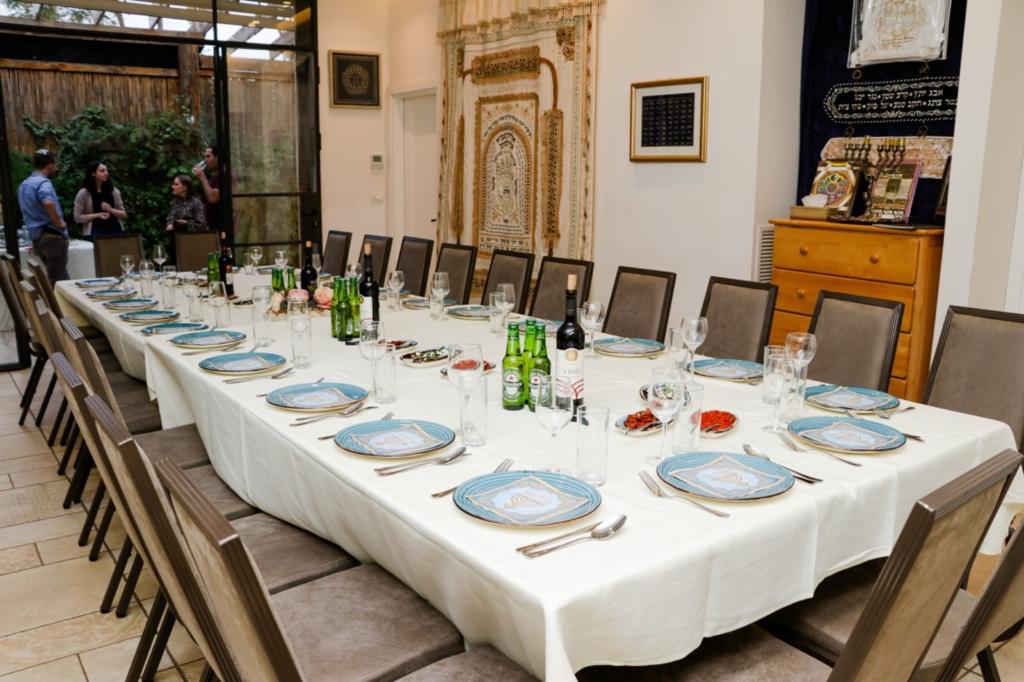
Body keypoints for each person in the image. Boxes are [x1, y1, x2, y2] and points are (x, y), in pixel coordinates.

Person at [17, 149, 68, 282]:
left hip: (38, 238)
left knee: (60, 278)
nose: (55, 168)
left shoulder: (24, 185)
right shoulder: (43, 183)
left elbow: (29, 212)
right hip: (52, 236)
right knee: (59, 281)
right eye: (55, 164)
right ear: (50, 165)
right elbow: (48, 203)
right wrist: (58, 222)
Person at [73, 160, 127, 239]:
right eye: (102, 171)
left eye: (106, 171)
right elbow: (77, 218)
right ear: (93, 173)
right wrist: (97, 215)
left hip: (115, 230)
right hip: (95, 232)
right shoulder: (84, 193)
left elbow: (123, 214)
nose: (106, 173)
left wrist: (111, 210)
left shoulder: (114, 191)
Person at [193, 143, 231, 234]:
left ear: (218, 158)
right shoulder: (213, 177)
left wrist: (202, 177)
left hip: (223, 228)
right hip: (211, 228)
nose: (205, 160)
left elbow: (213, 197)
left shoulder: (226, 176)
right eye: (205, 157)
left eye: (208, 157)